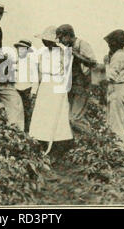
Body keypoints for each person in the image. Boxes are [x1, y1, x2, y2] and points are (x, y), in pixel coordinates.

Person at [29, 26, 73, 155]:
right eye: (43, 40)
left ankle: (57, 147)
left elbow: (67, 74)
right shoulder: (42, 53)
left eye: (47, 40)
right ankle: (41, 143)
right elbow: (38, 74)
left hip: (57, 86)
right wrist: (34, 90)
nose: (44, 42)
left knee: (57, 117)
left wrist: (64, 88)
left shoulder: (63, 53)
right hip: (45, 87)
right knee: (43, 115)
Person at [56, 24, 97, 125]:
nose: (60, 42)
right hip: (71, 87)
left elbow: (93, 63)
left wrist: (76, 55)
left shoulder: (82, 44)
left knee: (75, 118)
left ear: (68, 36)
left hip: (82, 86)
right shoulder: (67, 48)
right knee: (68, 118)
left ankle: (88, 138)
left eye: (61, 38)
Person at [103, 29, 124, 149]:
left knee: (115, 122)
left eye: (110, 43)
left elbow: (110, 76)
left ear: (114, 44)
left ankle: (120, 149)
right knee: (121, 121)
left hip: (117, 88)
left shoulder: (117, 57)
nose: (109, 46)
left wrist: (106, 63)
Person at [13, 39, 38, 133]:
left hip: (27, 89)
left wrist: (33, 91)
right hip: (16, 88)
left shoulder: (30, 62)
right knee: (16, 110)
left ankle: (27, 130)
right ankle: (17, 129)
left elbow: (35, 78)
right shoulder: (15, 62)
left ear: (27, 51)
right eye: (19, 49)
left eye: (23, 49)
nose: (20, 51)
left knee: (26, 110)